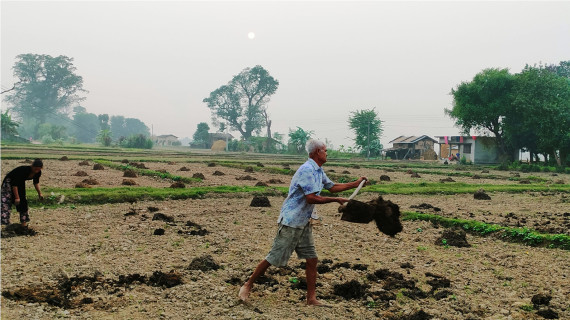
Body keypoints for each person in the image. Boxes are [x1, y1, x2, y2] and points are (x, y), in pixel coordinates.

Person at [239, 140, 367, 306]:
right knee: (274, 257)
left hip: (304, 222)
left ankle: (311, 298)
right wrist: (336, 200)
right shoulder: (307, 170)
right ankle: (248, 285)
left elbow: (332, 186)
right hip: (291, 221)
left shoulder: (318, 170)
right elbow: (311, 197)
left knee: (312, 259)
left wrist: (356, 183)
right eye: (325, 150)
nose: (327, 153)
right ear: (316, 152)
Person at [1, 159, 44, 226]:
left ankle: (23, 223)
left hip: (20, 183)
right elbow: (15, 184)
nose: (37, 171)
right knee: (7, 201)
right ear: (32, 166)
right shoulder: (24, 170)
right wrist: (17, 197)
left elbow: (36, 183)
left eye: (38, 169)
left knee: (23, 201)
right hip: (9, 182)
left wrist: (39, 193)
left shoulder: (38, 172)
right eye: (35, 169)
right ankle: (4, 223)